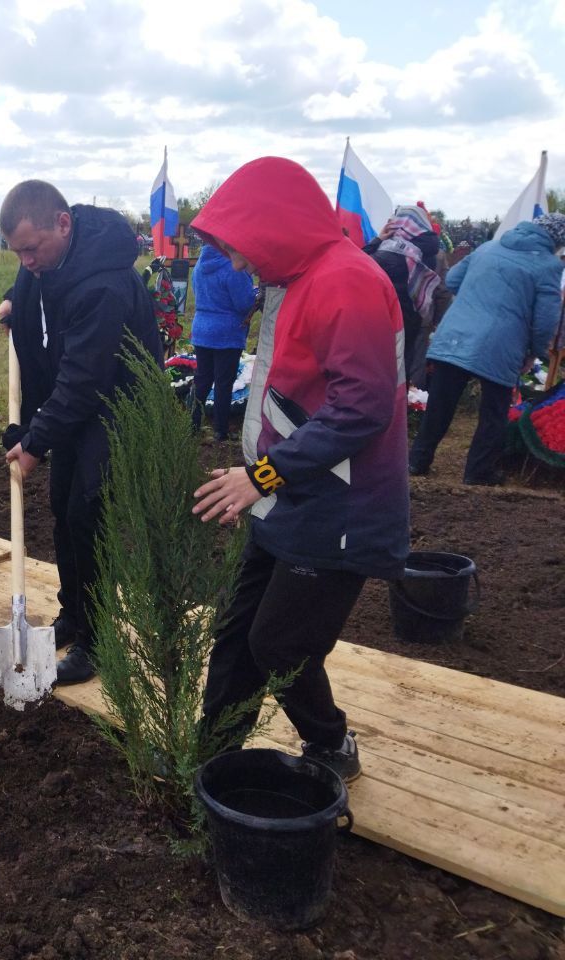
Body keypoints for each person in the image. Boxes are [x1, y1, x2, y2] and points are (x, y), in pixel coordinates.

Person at [190, 156, 409, 782]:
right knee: (237, 635)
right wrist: (263, 480)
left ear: (275, 225)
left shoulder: (346, 282)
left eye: (239, 248)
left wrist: (260, 476)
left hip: (340, 506)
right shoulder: (297, 278)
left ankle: (331, 745)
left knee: (281, 645)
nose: (236, 264)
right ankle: (214, 760)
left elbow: (361, 408)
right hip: (288, 494)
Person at [0, 180, 162, 685]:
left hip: (116, 406)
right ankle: (75, 611)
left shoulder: (103, 284)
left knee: (88, 515)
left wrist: (35, 439)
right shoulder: (51, 260)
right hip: (75, 406)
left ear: (63, 224)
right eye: (17, 252)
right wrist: (12, 300)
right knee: (62, 506)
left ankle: (100, 640)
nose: (26, 261)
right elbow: (34, 290)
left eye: (31, 248)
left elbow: (86, 378)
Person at [408, 213, 565, 485]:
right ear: (557, 241)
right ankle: (478, 472)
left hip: (454, 334)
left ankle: (416, 461)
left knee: (440, 406)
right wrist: (535, 351)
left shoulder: (489, 247)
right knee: (493, 413)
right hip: (501, 344)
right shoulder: (548, 265)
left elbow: (454, 279)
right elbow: (545, 320)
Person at [362, 204, 442, 384]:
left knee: (377, 372)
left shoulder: (391, 252)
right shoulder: (426, 250)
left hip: (382, 319)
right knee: (401, 369)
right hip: (411, 321)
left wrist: (377, 240)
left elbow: (356, 265)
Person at [189, 243, 256, 440]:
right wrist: (256, 293)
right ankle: (221, 430)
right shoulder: (232, 266)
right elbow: (244, 304)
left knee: (202, 379)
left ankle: (192, 424)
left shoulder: (200, 265)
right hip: (226, 333)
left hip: (202, 329)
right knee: (223, 383)